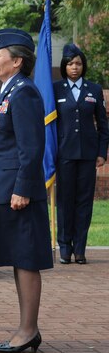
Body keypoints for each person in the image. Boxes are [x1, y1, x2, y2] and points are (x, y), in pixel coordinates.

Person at [0, 28, 53, 353]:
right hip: (5, 188)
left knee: (26, 258)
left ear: (17, 61)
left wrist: (22, 188)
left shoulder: (24, 93)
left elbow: (31, 146)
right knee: (18, 258)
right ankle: (27, 329)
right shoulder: (8, 91)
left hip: (18, 192)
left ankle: (28, 331)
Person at [53, 43, 109, 265]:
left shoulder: (94, 90)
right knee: (65, 201)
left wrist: (102, 153)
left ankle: (80, 249)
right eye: (70, 63)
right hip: (64, 153)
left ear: (83, 65)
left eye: (78, 63)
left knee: (84, 202)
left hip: (87, 154)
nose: (74, 67)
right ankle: (65, 248)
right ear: (64, 66)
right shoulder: (56, 89)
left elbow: (103, 125)